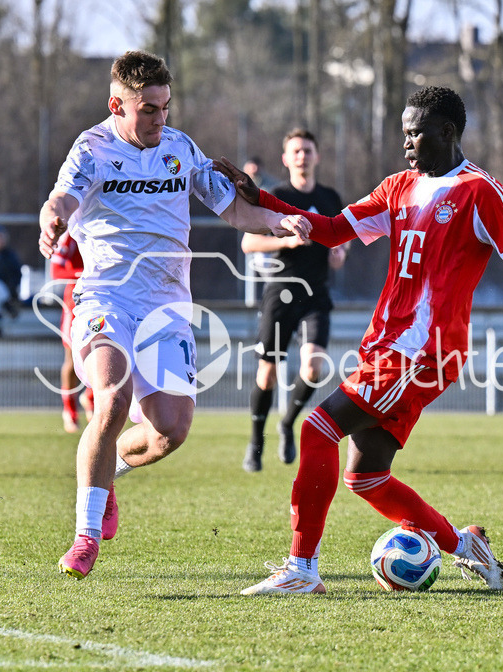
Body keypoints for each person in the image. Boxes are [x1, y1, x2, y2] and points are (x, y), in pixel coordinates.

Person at [215, 85, 503, 595]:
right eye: (404, 133)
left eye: (416, 133)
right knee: (366, 476)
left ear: (447, 133)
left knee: (317, 430)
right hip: (387, 347)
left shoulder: (481, 193)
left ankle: (302, 569)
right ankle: (464, 545)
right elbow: (331, 230)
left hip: (424, 352)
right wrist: (264, 201)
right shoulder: (398, 187)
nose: (406, 143)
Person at [36, 50, 311, 580]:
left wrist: (281, 223)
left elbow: (235, 209)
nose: (160, 119)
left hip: (166, 309)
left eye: (165, 107)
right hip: (106, 298)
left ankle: (106, 474)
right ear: (117, 105)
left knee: (170, 431)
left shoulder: (180, 149)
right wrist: (53, 220)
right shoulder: (92, 148)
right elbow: (62, 200)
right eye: (148, 109)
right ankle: (85, 536)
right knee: (112, 397)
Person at [241, 128, 346, 472]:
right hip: (282, 292)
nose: (302, 156)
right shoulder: (277, 197)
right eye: (296, 151)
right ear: (286, 159)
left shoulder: (330, 197)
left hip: (316, 294)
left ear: (317, 156)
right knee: (267, 373)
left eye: (308, 150)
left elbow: (342, 240)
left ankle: (287, 424)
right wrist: (285, 242)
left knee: (313, 367)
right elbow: (249, 243)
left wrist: (340, 253)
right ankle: (256, 441)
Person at [49, 230, 92, 433]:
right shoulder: (71, 233)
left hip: (106, 299)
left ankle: (91, 398)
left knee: (107, 350)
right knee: (72, 358)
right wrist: (85, 275)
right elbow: (56, 271)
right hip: (75, 301)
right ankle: (70, 412)